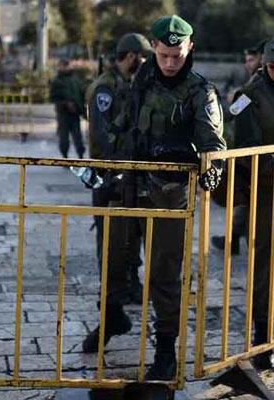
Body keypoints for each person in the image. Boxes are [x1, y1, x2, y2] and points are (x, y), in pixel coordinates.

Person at [82, 15, 226, 380]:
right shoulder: (142, 81)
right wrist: (106, 168)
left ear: (189, 48)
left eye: (178, 56)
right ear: (155, 48)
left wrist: (211, 169)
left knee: (164, 273)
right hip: (129, 185)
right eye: (164, 56)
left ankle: (165, 351)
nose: (170, 63)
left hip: (169, 193)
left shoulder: (200, 91)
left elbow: (213, 144)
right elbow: (122, 126)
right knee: (114, 260)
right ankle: (111, 318)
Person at [85, 33, 153, 305]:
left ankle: (131, 283)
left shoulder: (133, 84)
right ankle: (111, 290)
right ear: (131, 56)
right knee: (110, 236)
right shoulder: (105, 88)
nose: (145, 62)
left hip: (132, 172)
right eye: (142, 57)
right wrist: (118, 163)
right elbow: (101, 135)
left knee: (133, 231)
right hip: (109, 173)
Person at [227, 38, 274, 369]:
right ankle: (262, 336)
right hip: (267, 191)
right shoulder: (248, 96)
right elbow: (246, 148)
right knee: (265, 265)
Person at [211, 39, 266, 254]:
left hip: (256, 153)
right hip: (256, 153)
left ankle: (236, 240)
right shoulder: (256, 82)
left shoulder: (256, 84)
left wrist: (227, 107)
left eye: (252, 59)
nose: (247, 63)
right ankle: (235, 239)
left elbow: (234, 110)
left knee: (249, 198)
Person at [50, 59, 86, 159]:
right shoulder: (56, 81)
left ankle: (81, 156)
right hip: (63, 114)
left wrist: (81, 108)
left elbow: (82, 93)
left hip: (75, 114)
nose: (66, 67)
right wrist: (65, 104)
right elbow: (53, 97)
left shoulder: (75, 79)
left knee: (78, 137)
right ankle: (65, 157)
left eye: (67, 65)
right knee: (64, 138)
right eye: (64, 65)